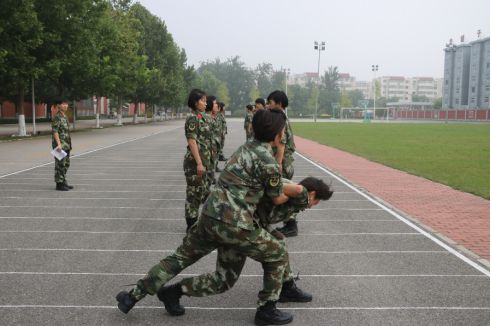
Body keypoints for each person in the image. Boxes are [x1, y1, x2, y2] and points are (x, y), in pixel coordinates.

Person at [116, 109, 297, 325]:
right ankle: (267, 310)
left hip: (210, 217)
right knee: (277, 252)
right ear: (277, 134)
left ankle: (135, 296)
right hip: (235, 224)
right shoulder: (268, 160)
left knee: (189, 263)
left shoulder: (243, 149)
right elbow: (276, 199)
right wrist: (303, 193)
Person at [267, 90, 299, 237]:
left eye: (270, 102)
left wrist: (278, 164)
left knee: (284, 192)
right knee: (282, 191)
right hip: (283, 161)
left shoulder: (280, 120)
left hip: (282, 162)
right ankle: (289, 223)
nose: (268, 105)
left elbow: (281, 144)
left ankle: (291, 224)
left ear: (279, 104)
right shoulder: (281, 118)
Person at [182, 89, 213, 231]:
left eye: (206, 100)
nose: (206, 103)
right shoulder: (193, 118)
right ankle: (191, 224)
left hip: (205, 161)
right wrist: (199, 163)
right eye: (203, 100)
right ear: (195, 102)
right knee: (194, 194)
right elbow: (192, 141)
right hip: (195, 162)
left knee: (204, 191)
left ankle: (203, 221)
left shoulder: (203, 117)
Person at [51, 99, 73, 191]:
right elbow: (55, 131)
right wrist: (59, 144)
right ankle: (59, 184)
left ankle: (63, 181)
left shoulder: (64, 117)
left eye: (66, 104)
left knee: (66, 164)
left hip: (66, 144)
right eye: (63, 104)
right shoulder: (57, 117)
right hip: (59, 145)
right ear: (58, 106)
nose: (66, 106)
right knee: (60, 164)